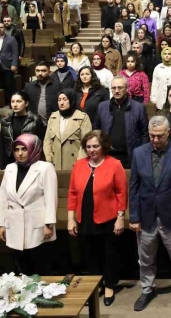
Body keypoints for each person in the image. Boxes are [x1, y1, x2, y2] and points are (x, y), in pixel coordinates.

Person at [129, 116, 171, 312]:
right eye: (152, 136)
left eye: (159, 136)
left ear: (168, 133)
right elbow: (134, 188)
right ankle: (147, 289)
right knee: (145, 258)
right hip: (146, 216)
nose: (155, 140)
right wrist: (134, 217)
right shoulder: (139, 153)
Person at [67, 130, 127, 306]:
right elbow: (72, 193)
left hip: (108, 218)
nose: (91, 150)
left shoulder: (114, 164)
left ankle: (109, 286)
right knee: (90, 254)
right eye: (88, 147)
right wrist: (71, 218)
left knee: (108, 254)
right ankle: (96, 285)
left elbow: (121, 193)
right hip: (84, 218)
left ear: (103, 146)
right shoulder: (78, 165)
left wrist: (120, 217)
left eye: (95, 146)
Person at [0, 133, 57, 275]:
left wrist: (49, 224)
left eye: (24, 149)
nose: (20, 153)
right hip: (14, 224)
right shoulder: (10, 168)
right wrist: (0, 224)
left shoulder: (45, 168)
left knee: (40, 268)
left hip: (37, 225)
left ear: (33, 149)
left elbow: (51, 198)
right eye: (16, 150)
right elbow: (3, 197)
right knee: (21, 267)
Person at [93, 76, 149, 168]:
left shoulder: (138, 108)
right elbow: (96, 131)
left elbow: (145, 134)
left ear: (127, 89)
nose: (117, 91)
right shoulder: (102, 107)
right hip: (107, 155)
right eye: (114, 88)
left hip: (129, 156)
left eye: (120, 87)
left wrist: (141, 154)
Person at [43, 89, 92, 170]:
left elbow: (86, 143)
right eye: (59, 100)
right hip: (54, 164)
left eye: (65, 99)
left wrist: (79, 164)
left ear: (71, 100)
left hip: (74, 165)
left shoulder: (82, 117)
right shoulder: (53, 117)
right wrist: (49, 159)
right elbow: (47, 141)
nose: (61, 103)